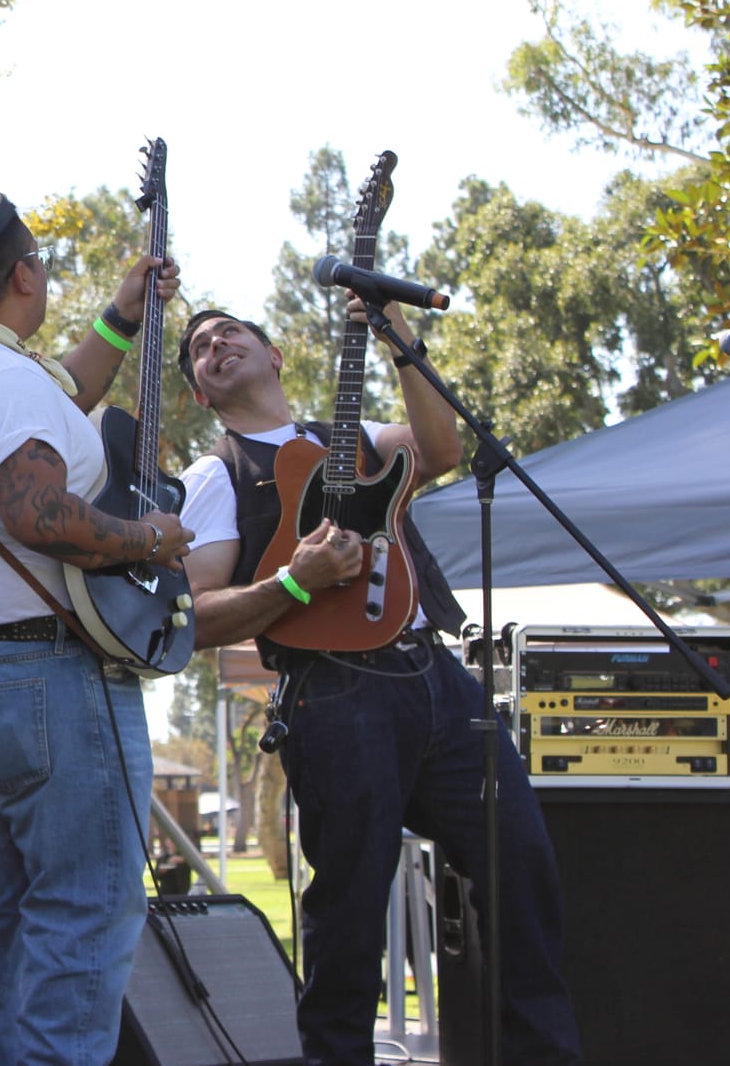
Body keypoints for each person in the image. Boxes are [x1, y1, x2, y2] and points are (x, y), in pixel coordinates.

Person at [174, 304, 580, 1066]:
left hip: (440, 679)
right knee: (351, 919)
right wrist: (296, 583)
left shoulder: (361, 442)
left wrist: (396, 333)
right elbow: (196, 617)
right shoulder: (217, 474)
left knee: (523, 873)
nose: (215, 344)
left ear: (277, 353)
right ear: (199, 392)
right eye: (198, 348)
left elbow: (441, 447)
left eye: (230, 332)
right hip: (334, 697)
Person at [0, 191, 192, 1064]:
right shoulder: (1, 381)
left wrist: (120, 315)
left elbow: (65, 389)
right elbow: (40, 512)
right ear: (24, 273)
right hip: (47, 680)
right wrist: (150, 536)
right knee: (83, 916)